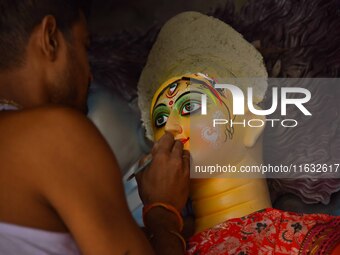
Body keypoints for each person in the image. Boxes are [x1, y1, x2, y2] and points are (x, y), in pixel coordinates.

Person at [137, 11, 340, 254]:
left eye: (190, 106)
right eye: (160, 119)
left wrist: (161, 215)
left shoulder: (316, 242)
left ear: (252, 121)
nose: (170, 127)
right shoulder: (140, 241)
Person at [0, 1, 190, 255]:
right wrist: (163, 209)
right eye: (83, 46)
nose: (89, 74)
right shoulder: (55, 135)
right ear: (50, 39)